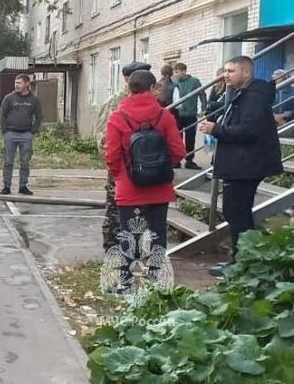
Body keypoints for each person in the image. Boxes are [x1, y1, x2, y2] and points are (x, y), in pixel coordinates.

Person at [199, 56, 283, 276]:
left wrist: (216, 129)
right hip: (241, 163)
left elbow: (248, 131)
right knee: (237, 212)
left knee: (237, 213)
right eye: (225, 70)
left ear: (246, 72)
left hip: (246, 165)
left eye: (231, 71)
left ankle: (241, 263)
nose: (225, 75)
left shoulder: (253, 96)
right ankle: (242, 260)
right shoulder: (243, 93)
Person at [104, 70, 185, 290]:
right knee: (158, 234)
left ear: (129, 88)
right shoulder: (164, 116)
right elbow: (178, 151)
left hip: (129, 186)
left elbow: (111, 155)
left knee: (129, 235)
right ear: (151, 88)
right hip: (159, 185)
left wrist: (120, 175)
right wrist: (161, 166)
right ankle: (156, 280)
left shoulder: (117, 117)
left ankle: (127, 282)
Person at [94, 61, 151, 253]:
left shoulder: (147, 101)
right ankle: (113, 249)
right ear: (129, 79)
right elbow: (102, 134)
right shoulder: (117, 101)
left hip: (140, 166)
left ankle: (132, 250)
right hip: (121, 164)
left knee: (136, 210)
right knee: (115, 209)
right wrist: (113, 163)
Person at [0, 74, 42, 195]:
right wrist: (5, 131)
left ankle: (23, 186)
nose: (16, 85)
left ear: (27, 83)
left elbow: (39, 117)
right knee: (8, 161)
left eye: (19, 83)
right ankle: (6, 186)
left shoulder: (34, 100)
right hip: (10, 134)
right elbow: (2, 114)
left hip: (26, 135)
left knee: (25, 161)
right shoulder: (9, 98)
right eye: (15, 83)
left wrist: (33, 131)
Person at [171, 63, 206, 169]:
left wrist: (203, 108)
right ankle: (177, 160)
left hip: (190, 114)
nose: (175, 74)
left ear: (184, 71)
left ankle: (189, 160)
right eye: (174, 72)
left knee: (190, 138)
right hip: (177, 115)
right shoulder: (174, 82)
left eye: (177, 72)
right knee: (177, 138)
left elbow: (202, 94)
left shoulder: (194, 81)